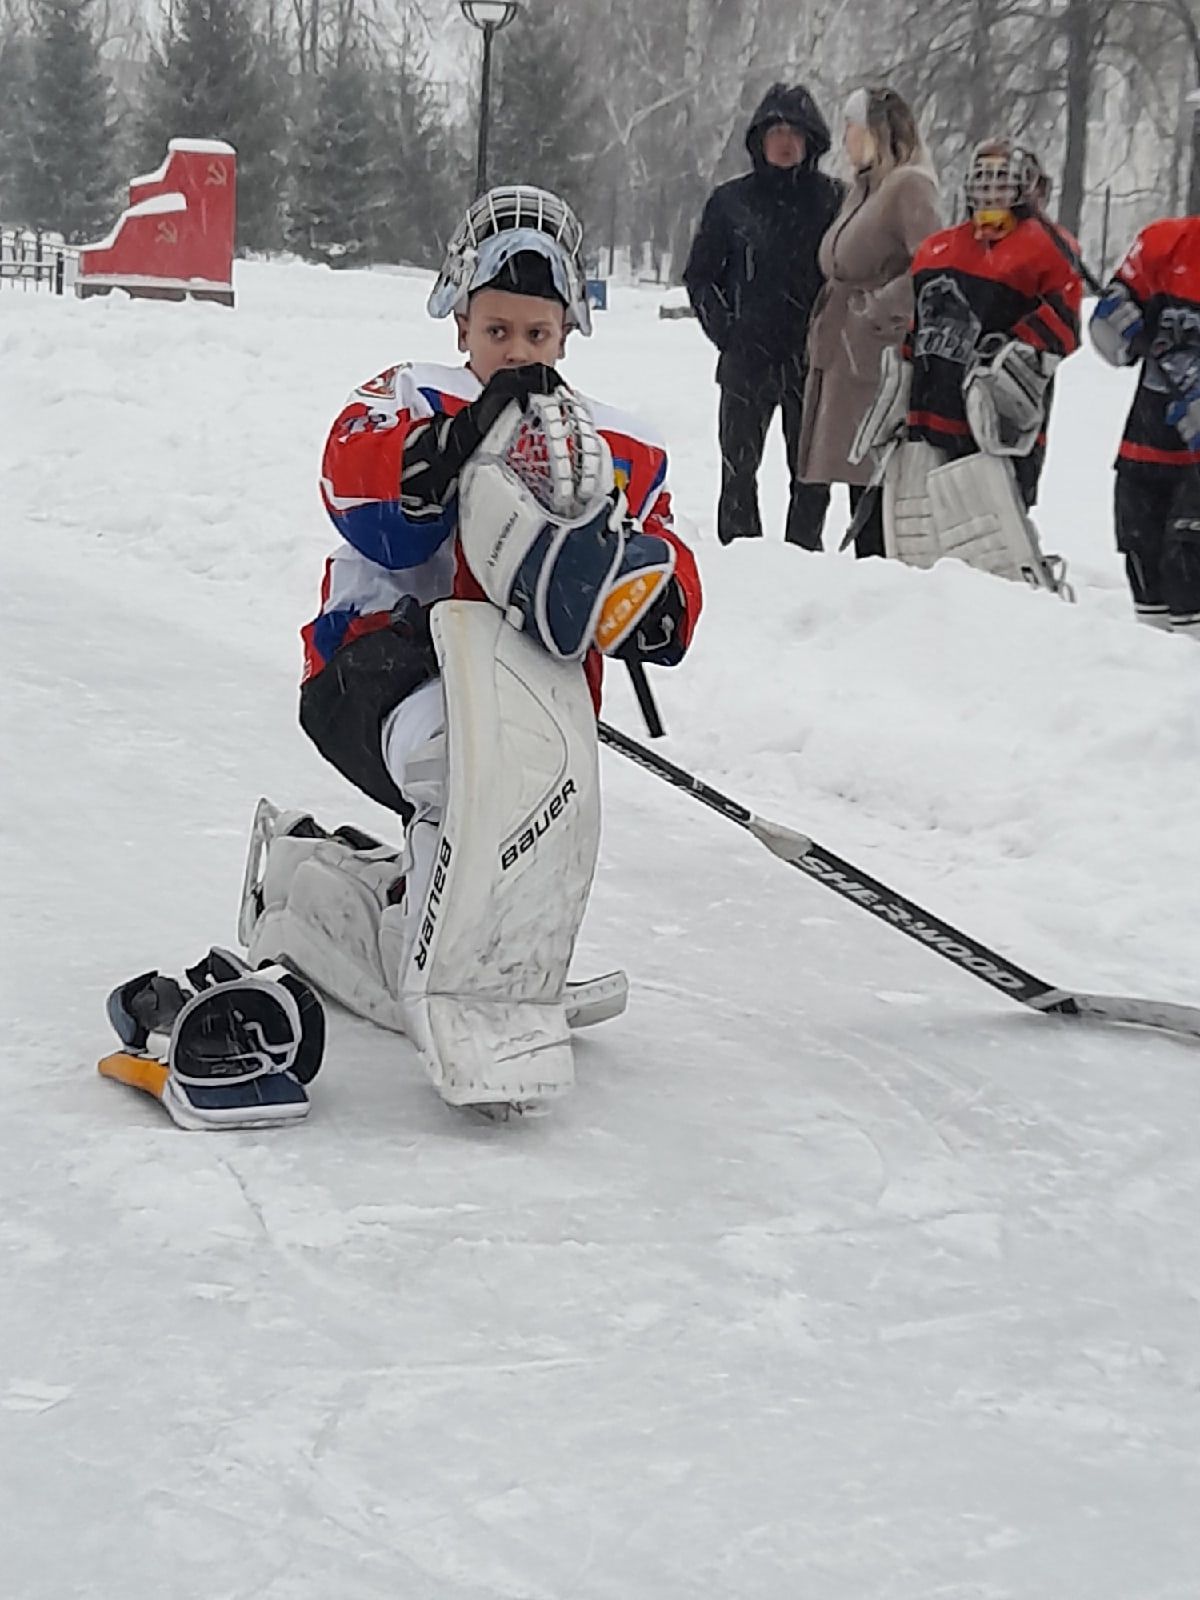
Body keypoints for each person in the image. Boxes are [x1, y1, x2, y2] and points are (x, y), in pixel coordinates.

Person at [239, 185, 704, 1112]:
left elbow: (665, 560)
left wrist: (653, 600)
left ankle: (372, 900)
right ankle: (438, 951)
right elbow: (355, 489)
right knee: (462, 766)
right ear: (461, 324)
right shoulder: (412, 399)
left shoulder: (618, 448)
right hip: (372, 665)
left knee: (537, 813)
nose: (517, 354)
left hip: (527, 703)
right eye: (497, 333)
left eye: (536, 335)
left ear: (567, 333)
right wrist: (440, 455)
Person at [849, 138, 1082, 590]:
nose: (992, 192)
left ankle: (1018, 618)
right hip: (930, 414)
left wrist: (1008, 359)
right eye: (984, 180)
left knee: (994, 538)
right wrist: (900, 390)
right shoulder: (938, 249)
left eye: (1003, 181)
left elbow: (1064, 327)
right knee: (921, 536)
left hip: (995, 425)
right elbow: (920, 331)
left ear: (1027, 187)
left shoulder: (1047, 248)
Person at [683, 82, 844, 549]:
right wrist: (729, 333)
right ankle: (740, 559)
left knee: (812, 476)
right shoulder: (730, 202)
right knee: (738, 473)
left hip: (814, 364)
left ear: (813, 140)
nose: (786, 141)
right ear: (759, 139)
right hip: (746, 362)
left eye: (796, 131)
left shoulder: (836, 201)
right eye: (775, 130)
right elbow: (701, 276)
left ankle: (803, 560)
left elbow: (854, 276)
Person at [797, 85, 941, 557]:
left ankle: (877, 578)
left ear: (875, 131)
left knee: (871, 474)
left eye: (851, 127)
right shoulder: (866, 188)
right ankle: (816, 565)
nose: (844, 138)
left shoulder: (909, 186)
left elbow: (932, 266)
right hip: (843, 350)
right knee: (836, 470)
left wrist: (878, 309)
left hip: (875, 357)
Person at [1089, 216, 1200, 637]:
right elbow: (1113, 342)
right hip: (1147, 446)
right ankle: (1149, 688)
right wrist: (1114, 321)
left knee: (1187, 568)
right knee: (1146, 578)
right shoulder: (1166, 242)